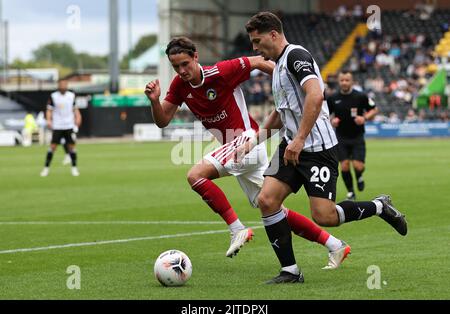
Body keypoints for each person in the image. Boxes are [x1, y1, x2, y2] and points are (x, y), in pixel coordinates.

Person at [145, 37, 350, 269]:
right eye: (176, 67)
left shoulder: (221, 71)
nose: (182, 71)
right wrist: (154, 102)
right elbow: (163, 120)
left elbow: (257, 62)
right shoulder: (179, 86)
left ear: (195, 57)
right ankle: (334, 244)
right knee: (272, 208)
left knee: (195, 175)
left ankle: (237, 229)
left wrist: (285, 84)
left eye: (185, 64)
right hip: (239, 149)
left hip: (246, 140)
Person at [240, 12, 407, 284]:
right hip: (291, 146)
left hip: (316, 148)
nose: (255, 48)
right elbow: (282, 112)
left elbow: (315, 96)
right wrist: (255, 139)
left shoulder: (296, 56)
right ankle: (290, 271)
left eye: (258, 41)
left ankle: (379, 206)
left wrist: (300, 139)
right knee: (267, 200)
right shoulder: (279, 66)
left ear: (273, 34)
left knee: (325, 216)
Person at [327, 70, 379, 200]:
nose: (344, 83)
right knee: (344, 166)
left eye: (347, 80)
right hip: (341, 137)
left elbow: (374, 109)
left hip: (357, 137)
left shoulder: (361, 96)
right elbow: (324, 115)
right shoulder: (333, 98)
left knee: (358, 166)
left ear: (352, 81)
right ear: (339, 82)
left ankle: (359, 176)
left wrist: (364, 118)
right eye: (342, 80)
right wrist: (331, 121)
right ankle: (351, 192)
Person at [40, 79, 81, 177]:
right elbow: (49, 110)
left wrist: (78, 118)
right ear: (58, 85)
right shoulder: (53, 96)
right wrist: (49, 120)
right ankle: (46, 168)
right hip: (58, 125)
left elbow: (75, 110)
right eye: (61, 84)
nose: (63, 86)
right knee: (53, 147)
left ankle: (74, 168)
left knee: (71, 147)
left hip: (69, 125)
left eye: (65, 84)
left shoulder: (71, 96)